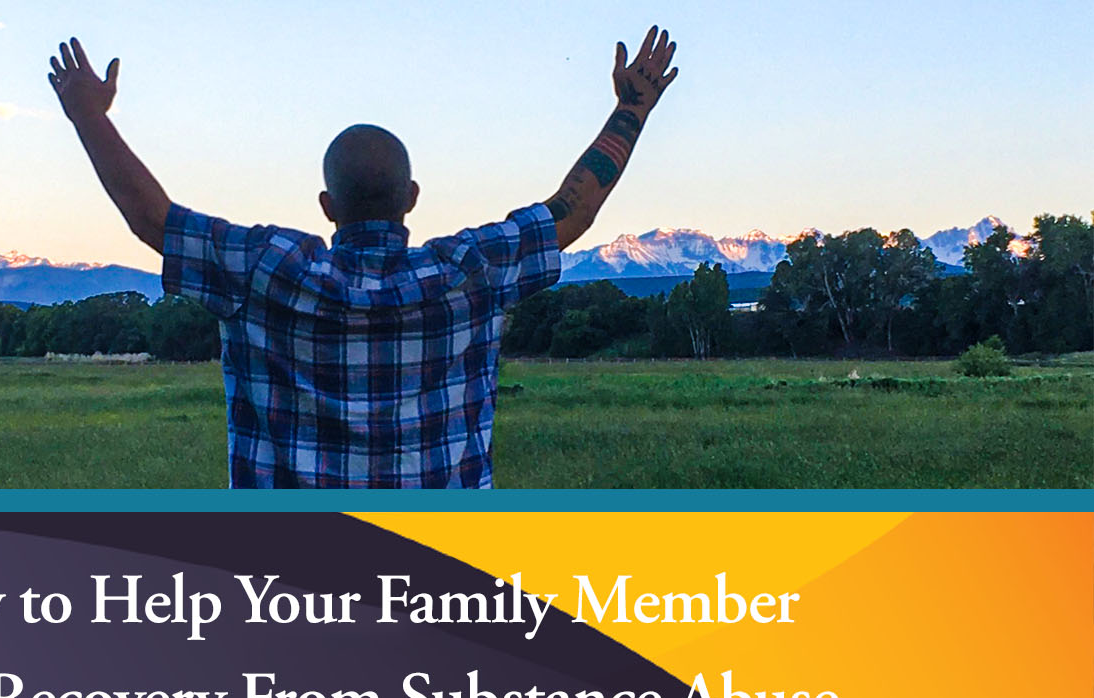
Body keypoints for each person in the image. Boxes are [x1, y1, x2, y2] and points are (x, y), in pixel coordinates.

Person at [48, 27, 679, 488]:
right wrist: (631, 109)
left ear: (327, 205)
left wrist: (87, 116)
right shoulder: (470, 272)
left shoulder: (265, 269)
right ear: (411, 198)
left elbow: (153, 220)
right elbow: (572, 211)